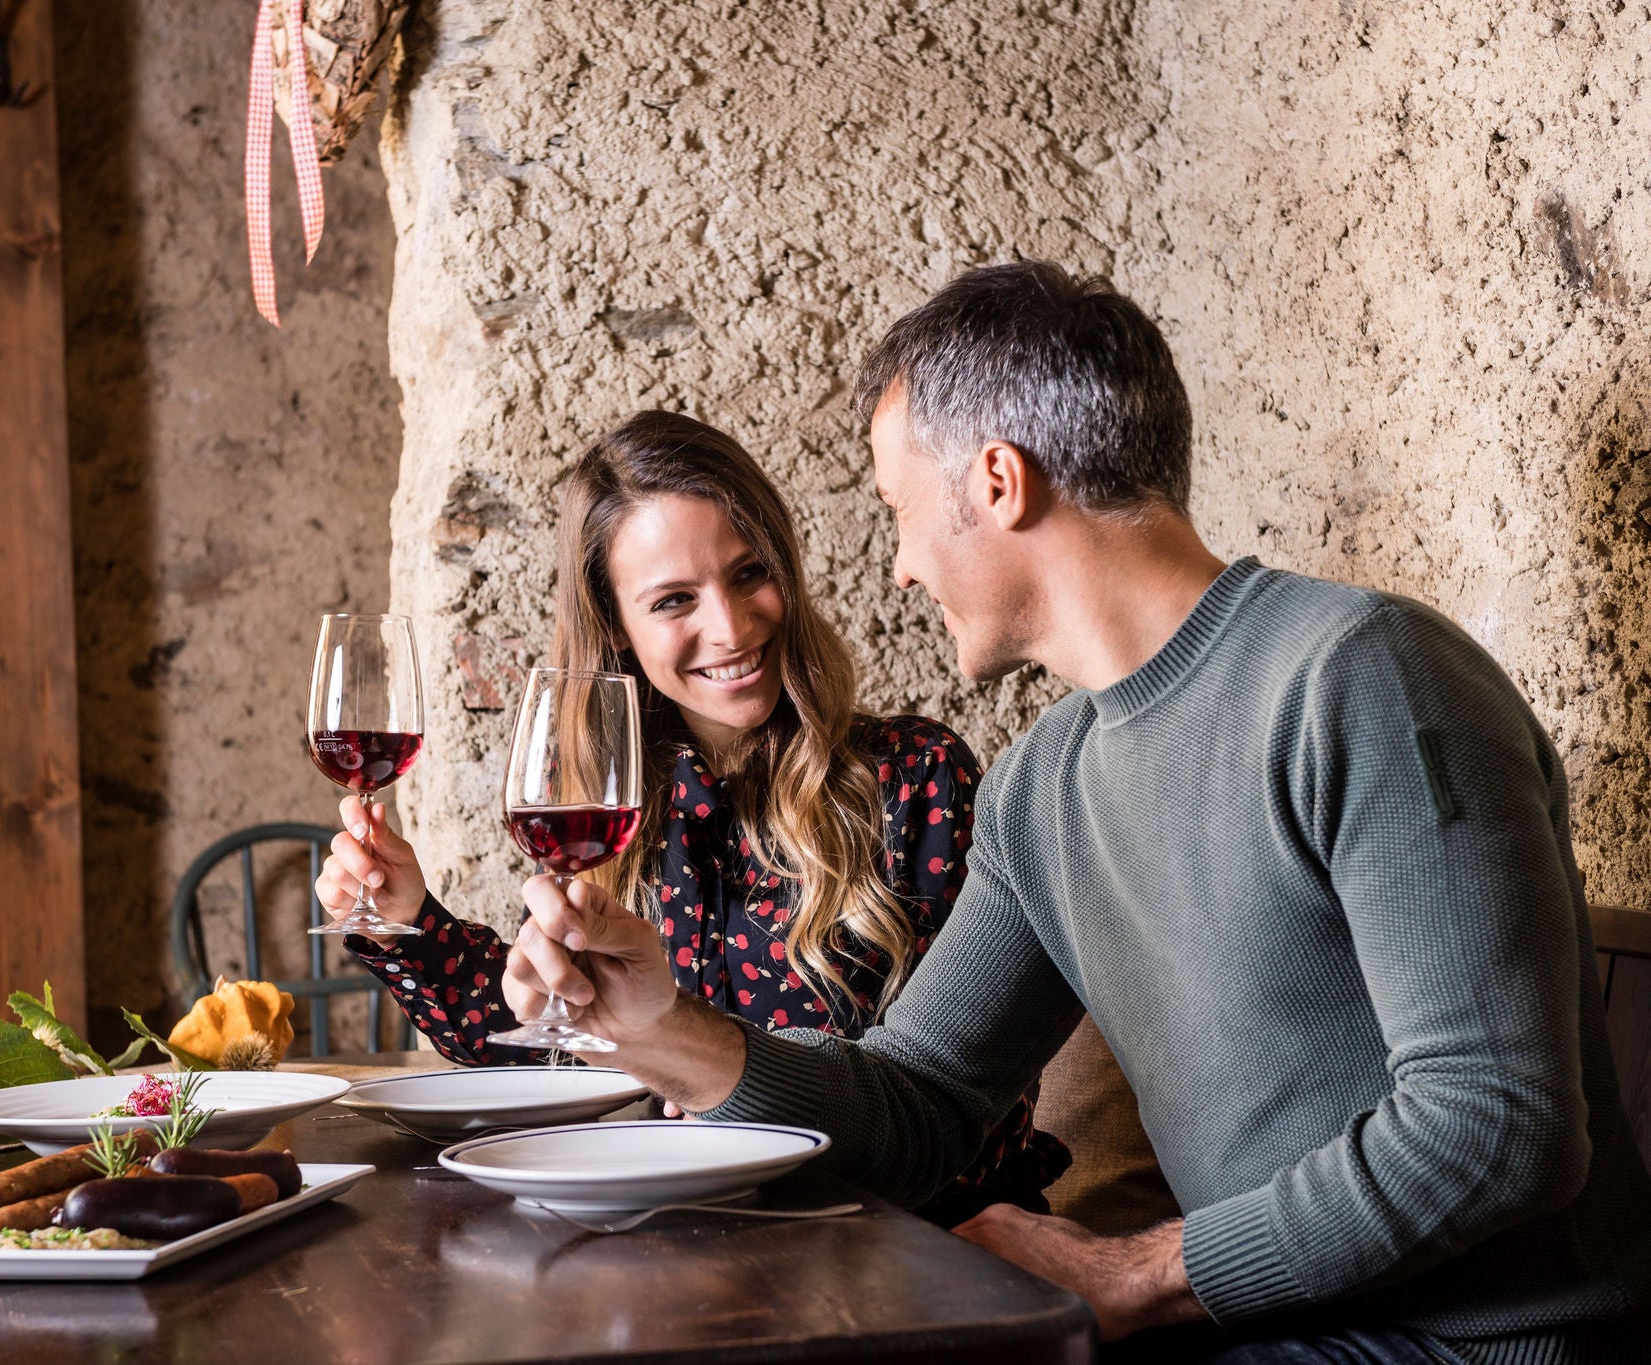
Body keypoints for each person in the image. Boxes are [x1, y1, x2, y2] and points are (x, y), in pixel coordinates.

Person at [499, 263, 1651, 1361]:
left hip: (1461, 1346)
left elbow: (1494, 1127)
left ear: (997, 482)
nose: (899, 567)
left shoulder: (1360, 675)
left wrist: (1137, 1275)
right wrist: (659, 1027)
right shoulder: (1043, 782)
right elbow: (920, 1103)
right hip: (1257, 1335)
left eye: (901, 510)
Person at [316, 410, 1070, 1220]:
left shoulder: (915, 777)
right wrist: (408, 925)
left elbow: (961, 1119)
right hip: (705, 1252)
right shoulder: (611, 810)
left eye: (749, 574)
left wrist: (694, 1063)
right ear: (616, 626)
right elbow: (564, 1050)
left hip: (906, 1251)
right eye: (675, 599)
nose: (732, 626)